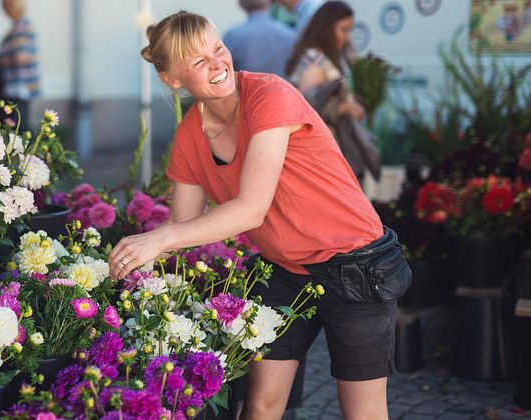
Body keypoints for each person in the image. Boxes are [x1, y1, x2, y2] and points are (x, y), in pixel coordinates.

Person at [108, 11, 404, 420]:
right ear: (172, 79)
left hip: (355, 262)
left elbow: (251, 209)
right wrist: (118, 284)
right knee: (260, 405)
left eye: (218, 48)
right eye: (198, 61)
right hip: (286, 270)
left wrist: (159, 240)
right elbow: (181, 231)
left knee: (362, 412)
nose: (217, 64)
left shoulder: (270, 95)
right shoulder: (190, 136)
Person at [286, 1, 380, 181]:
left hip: (329, 149)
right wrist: (346, 108)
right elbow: (305, 107)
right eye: (343, 30)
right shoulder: (314, 59)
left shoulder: (322, 57)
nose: (348, 37)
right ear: (326, 28)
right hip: (322, 154)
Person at [223, 0, 297, 77]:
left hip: (248, 88)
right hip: (284, 88)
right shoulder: (291, 35)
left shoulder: (232, 36)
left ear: (241, 4)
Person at [0, 0, 41, 131]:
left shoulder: (20, 28)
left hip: (19, 86)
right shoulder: (21, 26)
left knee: (19, 127)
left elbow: (21, 57)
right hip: (21, 86)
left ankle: (29, 151)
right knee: (20, 125)